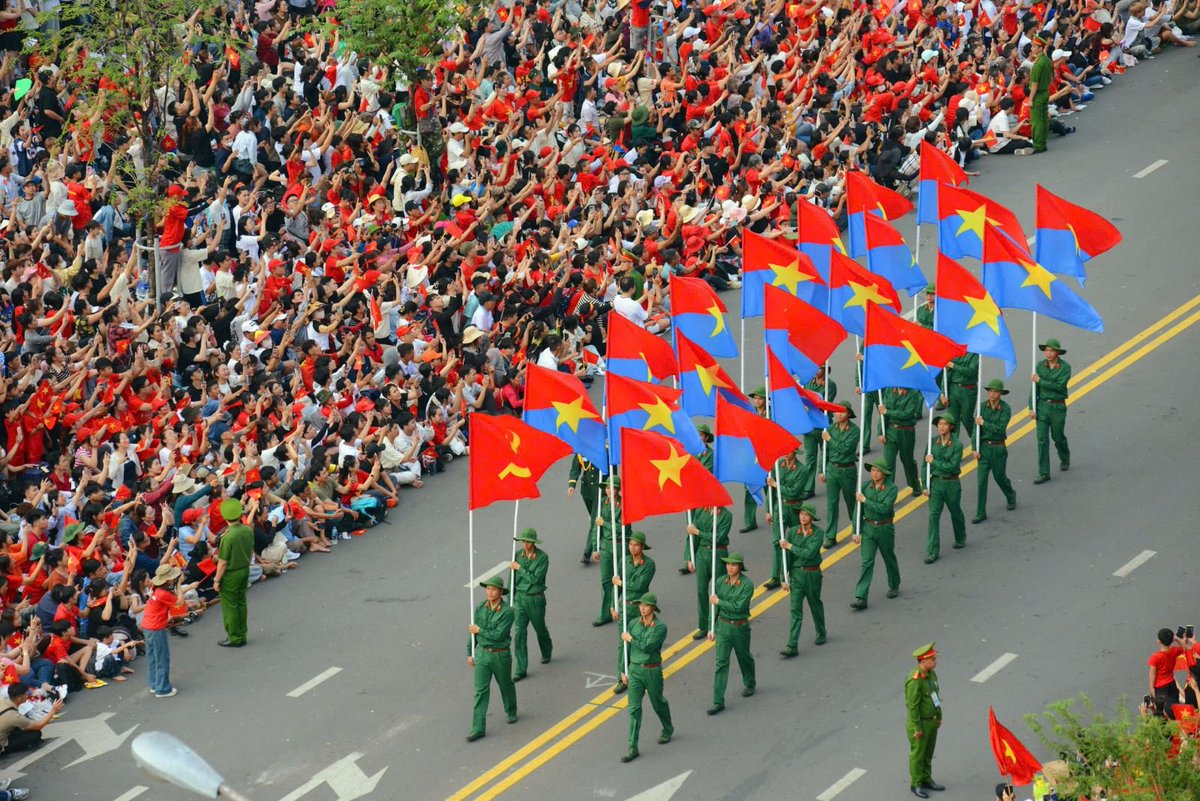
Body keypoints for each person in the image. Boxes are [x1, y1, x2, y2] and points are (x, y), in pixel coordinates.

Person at [620, 592, 672, 763]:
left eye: (646, 605)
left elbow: (648, 646)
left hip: (652, 670)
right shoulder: (633, 623)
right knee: (633, 709)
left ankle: (667, 727)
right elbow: (626, 649)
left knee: (658, 702)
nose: (642, 608)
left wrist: (631, 639)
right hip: (635, 670)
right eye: (641, 605)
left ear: (653, 608)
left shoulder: (660, 627)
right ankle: (632, 747)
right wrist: (623, 669)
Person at [466, 576, 517, 742]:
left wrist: (479, 630)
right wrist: (470, 652)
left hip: (500, 654)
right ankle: (477, 728)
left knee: (505, 684)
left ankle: (511, 710)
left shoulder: (508, 612)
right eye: (487, 589)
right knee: (480, 691)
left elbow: (498, 635)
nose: (489, 592)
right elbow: (472, 632)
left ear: (500, 592)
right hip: (482, 653)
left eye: (493, 589)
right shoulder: (481, 607)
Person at [707, 553, 755, 715]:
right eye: (728, 564)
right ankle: (717, 701)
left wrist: (719, 601)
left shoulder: (747, 585)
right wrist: (711, 627)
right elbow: (713, 608)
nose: (730, 567)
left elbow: (738, 607)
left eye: (734, 565)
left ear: (740, 567)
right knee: (721, 663)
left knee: (744, 657)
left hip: (740, 627)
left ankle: (750, 682)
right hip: (723, 627)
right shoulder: (720, 582)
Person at [778, 504, 826, 657]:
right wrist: (783, 577)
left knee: (815, 604)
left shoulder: (818, 533)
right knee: (795, 610)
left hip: (812, 574)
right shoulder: (792, 532)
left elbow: (809, 553)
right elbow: (786, 557)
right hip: (797, 575)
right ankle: (792, 645)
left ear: (812, 517)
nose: (803, 517)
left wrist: (790, 546)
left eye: (806, 515)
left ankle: (821, 632)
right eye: (801, 514)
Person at [852, 461, 900, 609]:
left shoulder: (892, 489)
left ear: (884, 473)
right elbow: (858, 510)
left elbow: (885, 508)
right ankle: (861, 597)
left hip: (884, 527)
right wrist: (856, 530)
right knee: (866, 562)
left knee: (888, 557)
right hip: (868, 527)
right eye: (872, 470)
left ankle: (894, 584)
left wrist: (865, 500)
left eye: (877, 471)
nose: (874, 473)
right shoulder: (865, 486)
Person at [612, 531, 655, 694]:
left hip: (640, 608)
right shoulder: (624, 561)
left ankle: (642, 672)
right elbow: (616, 587)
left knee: (639, 640)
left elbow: (639, 585)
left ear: (642, 547)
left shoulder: (649, 565)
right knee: (623, 643)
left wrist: (621, 582)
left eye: (636, 545)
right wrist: (613, 605)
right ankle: (622, 677)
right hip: (625, 606)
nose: (632, 548)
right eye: (630, 544)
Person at [510, 528, 551, 682]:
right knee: (519, 632)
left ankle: (546, 650)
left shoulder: (542, 558)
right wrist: (510, 598)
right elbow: (512, 578)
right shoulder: (517, 555)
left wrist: (520, 568)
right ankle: (520, 668)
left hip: (535, 598)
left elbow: (535, 579)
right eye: (523, 541)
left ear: (533, 543)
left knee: (539, 629)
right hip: (520, 598)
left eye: (528, 541)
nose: (525, 544)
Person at [924, 412, 966, 563]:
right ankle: (932, 551)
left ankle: (960, 537)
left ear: (951, 427)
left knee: (955, 511)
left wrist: (934, 462)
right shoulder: (932, 442)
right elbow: (925, 465)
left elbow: (951, 466)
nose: (941, 427)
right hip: (936, 483)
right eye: (939, 424)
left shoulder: (957, 445)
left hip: (951, 484)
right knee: (933, 516)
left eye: (944, 424)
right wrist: (924, 484)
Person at [763, 447, 807, 589]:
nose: (787, 454)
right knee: (777, 542)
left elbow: (794, 491)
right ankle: (775, 576)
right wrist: (769, 510)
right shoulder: (778, 465)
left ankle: (796, 571)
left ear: (795, 452)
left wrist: (776, 485)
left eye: (790, 451)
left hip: (794, 508)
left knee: (795, 541)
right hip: (780, 507)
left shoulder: (802, 470)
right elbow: (771, 491)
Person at [973, 380, 1017, 523]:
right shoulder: (982, 407)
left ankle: (1010, 494)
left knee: (999, 477)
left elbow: (1000, 429)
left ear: (1000, 394)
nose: (992, 394)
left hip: (998, 448)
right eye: (990, 391)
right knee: (981, 481)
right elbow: (975, 430)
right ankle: (980, 512)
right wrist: (975, 448)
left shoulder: (1005, 409)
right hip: (984, 448)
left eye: (995, 391)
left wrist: (984, 423)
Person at [214, 498, 254, 648]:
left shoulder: (228, 536)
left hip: (231, 574)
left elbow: (222, 562)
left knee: (230, 606)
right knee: (241, 602)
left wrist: (217, 580)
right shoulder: (248, 530)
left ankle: (234, 637)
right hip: (244, 569)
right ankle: (242, 634)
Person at [687, 505, 731, 640]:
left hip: (718, 553)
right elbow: (692, 537)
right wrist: (689, 557)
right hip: (702, 553)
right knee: (701, 590)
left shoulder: (726, 515)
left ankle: (715, 624)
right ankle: (704, 625)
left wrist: (698, 532)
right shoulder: (701, 510)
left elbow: (718, 537)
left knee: (717, 591)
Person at [906, 643, 944, 798]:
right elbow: (912, 706)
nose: (935, 661)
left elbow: (935, 697)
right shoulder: (915, 680)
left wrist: (939, 716)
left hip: (931, 721)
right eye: (932, 659)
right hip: (920, 723)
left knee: (928, 753)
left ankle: (927, 779)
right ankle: (916, 783)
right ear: (923, 661)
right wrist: (917, 728)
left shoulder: (931, 674)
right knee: (918, 755)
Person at [820, 401, 860, 549]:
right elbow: (824, 451)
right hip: (832, 469)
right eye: (837, 411)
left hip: (847, 470)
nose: (839, 414)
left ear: (849, 413)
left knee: (851, 501)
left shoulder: (854, 430)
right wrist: (821, 469)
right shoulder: (831, 428)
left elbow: (845, 449)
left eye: (842, 412)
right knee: (832, 503)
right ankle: (830, 536)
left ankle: (857, 527)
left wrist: (830, 439)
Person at [1031, 339, 1071, 484]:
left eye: (1052, 350)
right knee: (1042, 440)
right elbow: (1034, 388)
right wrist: (1031, 407)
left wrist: (1040, 380)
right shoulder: (1040, 366)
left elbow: (1059, 386)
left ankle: (1064, 457)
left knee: (1057, 436)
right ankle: (1044, 472)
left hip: (1057, 407)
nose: (1048, 353)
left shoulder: (1065, 367)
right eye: (1046, 350)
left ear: (1058, 353)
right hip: (1042, 406)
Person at [589, 478, 628, 627]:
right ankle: (605, 613)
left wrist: (604, 523)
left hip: (620, 545)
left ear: (618, 489)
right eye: (607, 488)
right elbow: (596, 527)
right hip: (606, 546)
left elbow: (621, 528)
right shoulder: (602, 503)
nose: (609, 491)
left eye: (613, 488)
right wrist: (595, 547)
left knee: (620, 578)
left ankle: (615, 605)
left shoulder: (624, 504)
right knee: (606, 581)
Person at [143, 563, 185, 698]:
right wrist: (179, 584)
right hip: (156, 628)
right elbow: (179, 602)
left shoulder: (155, 588)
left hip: (147, 626)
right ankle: (162, 689)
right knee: (162, 658)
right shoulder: (163, 593)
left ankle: (154, 684)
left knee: (152, 658)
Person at [878, 387, 925, 495]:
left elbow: (908, 413)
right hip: (891, 431)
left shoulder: (913, 393)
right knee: (888, 464)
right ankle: (888, 493)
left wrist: (887, 411)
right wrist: (880, 432)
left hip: (906, 432)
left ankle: (915, 485)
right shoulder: (889, 391)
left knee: (907, 461)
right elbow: (882, 413)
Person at [1, 681, 64, 761]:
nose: (28, 695)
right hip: (2, 743)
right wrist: (53, 711)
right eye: (26, 693)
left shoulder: (2, 700)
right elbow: (38, 726)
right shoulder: (14, 717)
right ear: (19, 699)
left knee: (19, 727)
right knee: (35, 734)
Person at [802, 367, 837, 500]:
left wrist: (809, 404)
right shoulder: (808, 383)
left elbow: (824, 404)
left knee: (826, 454)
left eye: (820, 367)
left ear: (825, 369)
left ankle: (830, 481)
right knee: (810, 458)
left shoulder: (830, 385)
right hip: (810, 425)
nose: (817, 370)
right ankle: (808, 488)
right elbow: (803, 398)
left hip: (823, 424)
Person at [739, 388, 768, 532]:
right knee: (749, 486)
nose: (757, 401)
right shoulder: (749, 412)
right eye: (755, 398)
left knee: (769, 485)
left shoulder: (771, 413)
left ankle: (774, 514)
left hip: (766, 453)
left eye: (760, 398)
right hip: (752, 454)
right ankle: (749, 521)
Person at [567, 456, 602, 566]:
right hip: (587, 490)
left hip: (600, 490)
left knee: (594, 521)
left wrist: (612, 487)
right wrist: (572, 485)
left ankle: (588, 552)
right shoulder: (581, 451)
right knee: (596, 518)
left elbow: (612, 469)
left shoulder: (604, 450)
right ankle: (604, 532)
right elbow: (575, 468)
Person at [941, 352, 979, 442]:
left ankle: (977, 440)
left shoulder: (974, 354)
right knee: (952, 420)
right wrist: (943, 393)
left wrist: (954, 366)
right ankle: (953, 446)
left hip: (968, 390)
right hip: (953, 389)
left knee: (967, 419)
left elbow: (971, 372)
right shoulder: (954, 351)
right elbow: (947, 373)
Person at [1028, 36, 1053, 154]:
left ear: (1040, 48)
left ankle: (1038, 145)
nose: (1032, 48)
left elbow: (1034, 84)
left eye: (1034, 46)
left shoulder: (1038, 64)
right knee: (1044, 119)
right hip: (1045, 92)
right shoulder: (1047, 60)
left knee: (1036, 121)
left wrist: (1030, 99)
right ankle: (1043, 143)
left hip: (1037, 95)